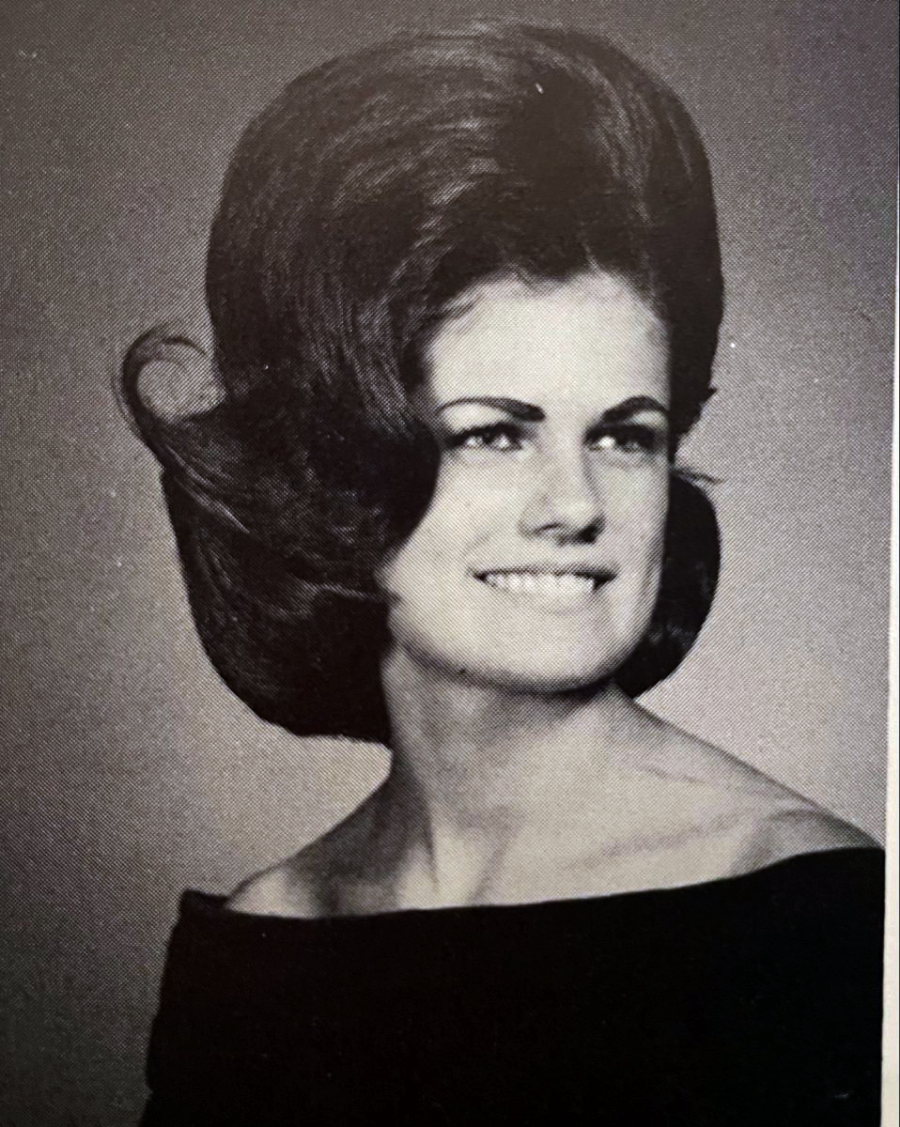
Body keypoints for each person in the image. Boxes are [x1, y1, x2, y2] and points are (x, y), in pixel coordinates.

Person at [123, 21, 884, 1125]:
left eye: (625, 434)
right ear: (330, 461)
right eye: (493, 433)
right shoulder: (264, 940)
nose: (576, 503)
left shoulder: (821, 919)